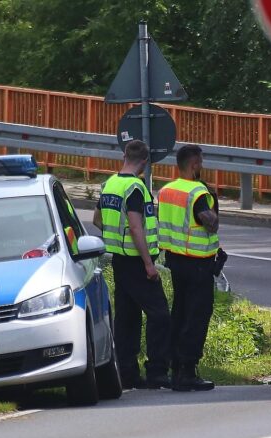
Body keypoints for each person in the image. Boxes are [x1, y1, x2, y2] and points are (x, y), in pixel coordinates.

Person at [92, 140, 171, 389]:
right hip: (137, 262)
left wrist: (116, 236)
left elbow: (97, 220)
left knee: (127, 318)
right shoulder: (135, 188)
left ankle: (127, 373)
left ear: (124, 156)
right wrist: (149, 264)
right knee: (160, 315)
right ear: (145, 162)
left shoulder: (110, 184)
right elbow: (136, 227)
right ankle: (157, 371)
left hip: (119, 260)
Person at [157, 144, 219, 392]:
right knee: (196, 316)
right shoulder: (198, 193)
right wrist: (213, 203)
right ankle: (188, 370)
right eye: (201, 162)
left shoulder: (167, 190)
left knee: (180, 312)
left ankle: (175, 368)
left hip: (175, 260)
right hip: (198, 263)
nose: (202, 166)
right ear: (194, 165)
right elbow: (211, 224)